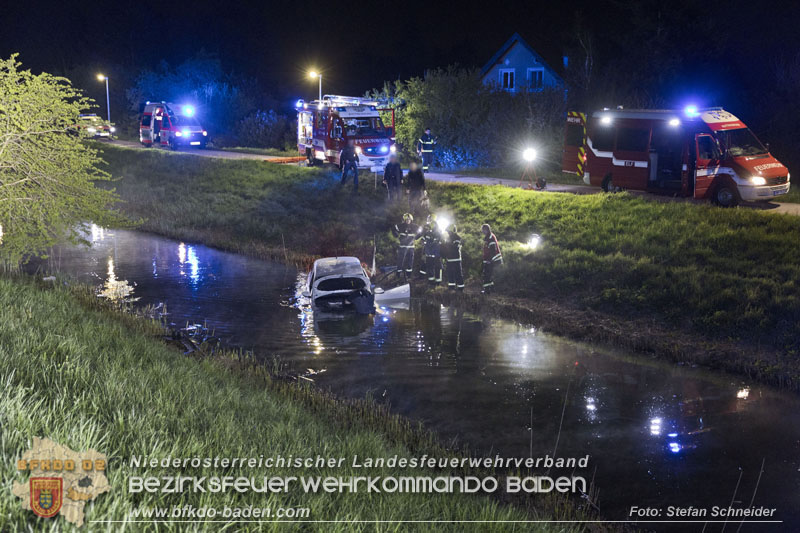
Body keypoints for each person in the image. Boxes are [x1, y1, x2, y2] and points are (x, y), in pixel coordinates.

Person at [391, 213, 420, 280]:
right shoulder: (400, 226)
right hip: (402, 247)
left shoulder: (414, 226)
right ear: (404, 220)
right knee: (400, 261)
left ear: (411, 219)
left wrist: (417, 237)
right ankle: (398, 275)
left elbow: (421, 231)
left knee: (410, 262)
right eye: (406, 219)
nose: (408, 220)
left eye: (409, 219)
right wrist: (396, 235)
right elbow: (393, 228)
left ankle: (408, 275)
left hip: (411, 247)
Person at [420, 214, 442, 285]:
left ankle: (438, 282)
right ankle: (431, 281)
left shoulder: (438, 232)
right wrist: (423, 242)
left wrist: (428, 243)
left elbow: (439, 241)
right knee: (430, 267)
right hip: (429, 254)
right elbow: (422, 239)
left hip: (436, 254)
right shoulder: (427, 232)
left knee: (437, 267)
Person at [481, 223, 503, 293]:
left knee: (486, 275)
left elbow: (492, 251)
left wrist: (489, 260)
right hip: (492, 259)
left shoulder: (490, 238)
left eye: (483, 230)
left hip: (492, 260)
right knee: (489, 274)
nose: (483, 232)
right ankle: (491, 288)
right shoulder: (489, 237)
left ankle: (487, 290)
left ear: (487, 230)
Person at [443, 224, 464, 291]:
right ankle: (451, 287)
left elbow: (455, 247)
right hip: (449, 259)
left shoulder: (457, 237)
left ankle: (460, 287)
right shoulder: (448, 238)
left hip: (456, 259)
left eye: (449, 231)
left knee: (458, 274)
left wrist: (448, 244)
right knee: (450, 274)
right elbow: (446, 249)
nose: (448, 232)